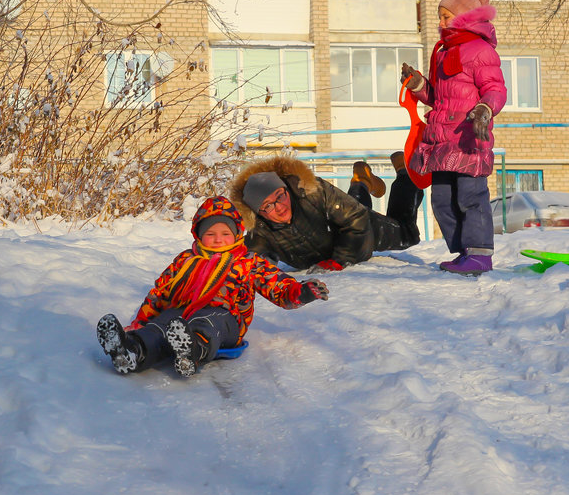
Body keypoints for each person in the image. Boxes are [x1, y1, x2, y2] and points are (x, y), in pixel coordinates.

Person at [96, 196, 329, 378]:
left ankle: (192, 352)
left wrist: (302, 292)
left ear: (237, 235)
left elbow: (277, 285)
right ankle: (132, 351)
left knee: (207, 321)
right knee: (160, 325)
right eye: (210, 233)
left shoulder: (247, 262)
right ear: (198, 235)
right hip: (180, 314)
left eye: (225, 233)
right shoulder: (185, 259)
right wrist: (141, 323)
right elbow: (160, 292)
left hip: (225, 319)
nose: (218, 239)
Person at [400, 0, 507, 276]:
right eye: (440, 17)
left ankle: (480, 254)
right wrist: (418, 86)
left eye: (447, 16)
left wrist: (485, 108)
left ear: (464, 17)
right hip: (442, 140)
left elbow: (495, 89)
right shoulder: (443, 52)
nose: (442, 22)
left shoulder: (481, 50)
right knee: (442, 200)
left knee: (471, 197)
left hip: (470, 137)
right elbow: (439, 98)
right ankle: (464, 252)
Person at [229, 154, 420, 271]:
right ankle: (361, 182)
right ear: (258, 212)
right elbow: (246, 262)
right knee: (347, 207)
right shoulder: (261, 233)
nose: (279, 206)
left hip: (362, 231)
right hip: (341, 219)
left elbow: (356, 217)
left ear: (286, 188)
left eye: (280, 195)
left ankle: (405, 171)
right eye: (268, 205)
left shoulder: (312, 191)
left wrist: (340, 260)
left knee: (407, 235)